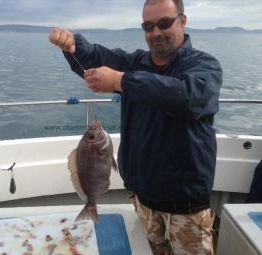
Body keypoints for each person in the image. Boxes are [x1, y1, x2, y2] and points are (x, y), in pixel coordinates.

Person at [49, 0, 222, 254]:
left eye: (164, 23)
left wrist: (122, 81)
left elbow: (188, 97)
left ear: (183, 21)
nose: (156, 33)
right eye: (148, 26)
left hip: (186, 205)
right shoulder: (135, 64)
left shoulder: (204, 66)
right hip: (142, 200)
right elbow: (98, 58)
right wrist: (73, 45)